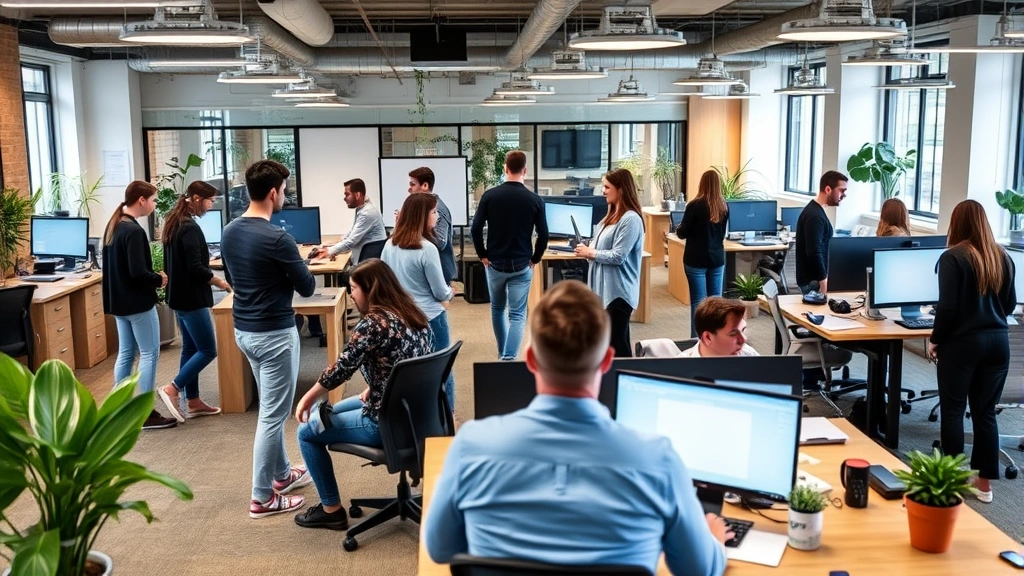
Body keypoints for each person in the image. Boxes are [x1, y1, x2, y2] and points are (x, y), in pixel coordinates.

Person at [423, 281, 731, 574]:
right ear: (609, 360)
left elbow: (440, 549)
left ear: (530, 360)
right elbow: (699, 569)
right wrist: (713, 539)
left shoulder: (471, 446)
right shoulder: (658, 460)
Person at [292, 259, 433, 530]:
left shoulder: (373, 324)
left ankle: (330, 509)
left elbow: (341, 369)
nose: (351, 294)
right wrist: (380, 384)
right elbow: (414, 363)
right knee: (338, 409)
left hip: (385, 423)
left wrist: (308, 397)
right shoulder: (415, 314)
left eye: (354, 288)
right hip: (417, 416)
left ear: (371, 289)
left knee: (307, 432)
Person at [221, 160, 317, 519]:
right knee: (273, 418)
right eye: (284, 191)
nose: (285, 197)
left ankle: (281, 474)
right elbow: (307, 288)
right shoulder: (279, 238)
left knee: (269, 410)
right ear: (274, 192)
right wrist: (297, 263)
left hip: (244, 331)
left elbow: (233, 276)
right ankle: (261, 498)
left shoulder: (230, 231)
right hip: (275, 334)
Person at [929, 200, 1016, 504]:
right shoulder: (1002, 257)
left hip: (963, 345)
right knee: (985, 413)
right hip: (998, 343)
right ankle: (984, 486)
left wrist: (935, 339)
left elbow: (948, 307)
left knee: (953, 411)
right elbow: (1008, 305)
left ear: (957, 223)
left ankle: (951, 483)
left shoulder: (952, 257)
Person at [101, 180, 176, 430]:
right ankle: (146, 412)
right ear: (141, 200)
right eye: (153, 200)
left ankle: (118, 409)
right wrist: (159, 278)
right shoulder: (133, 231)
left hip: (119, 303)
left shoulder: (114, 225)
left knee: (126, 354)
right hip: (137, 303)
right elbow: (137, 272)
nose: (155, 206)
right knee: (149, 354)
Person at [156, 181, 229, 422]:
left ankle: (194, 400)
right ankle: (173, 388)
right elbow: (196, 267)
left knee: (190, 348)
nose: (210, 206)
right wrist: (219, 282)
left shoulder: (175, 222)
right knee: (208, 350)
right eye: (209, 201)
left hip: (178, 296)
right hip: (191, 299)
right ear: (197, 198)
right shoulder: (189, 227)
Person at [470, 150, 548, 360]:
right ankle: (508, 359)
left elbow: (475, 228)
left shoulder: (490, 196)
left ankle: (500, 352)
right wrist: (535, 258)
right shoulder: (534, 199)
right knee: (517, 315)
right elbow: (544, 235)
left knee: (497, 308)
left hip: (494, 264)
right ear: (525, 170)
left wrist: (482, 255)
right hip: (522, 265)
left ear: (505, 169)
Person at [381, 193, 456, 408]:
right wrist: (450, 291)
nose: (437, 217)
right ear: (422, 216)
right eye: (433, 212)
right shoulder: (427, 249)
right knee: (443, 370)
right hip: (430, 319)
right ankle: (447, 419)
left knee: (410, 371)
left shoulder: (389, 245)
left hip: (401, 319)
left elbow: (387, 283)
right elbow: (440, 293)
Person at [573, 168, 644, 357]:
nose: (603, 191)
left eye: (606, 187)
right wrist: (588, 249)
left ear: (620, 189)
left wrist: (591, 252)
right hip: (602, 292)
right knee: (614, 344)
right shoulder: (609, 218)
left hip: (618, 294)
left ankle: (623, 381)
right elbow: (601, 249)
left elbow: (618, 256)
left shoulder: (631, 219)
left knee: (615, 347)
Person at [676, 169, 729, 337]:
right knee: (716, 304)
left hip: (696, 260)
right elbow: (721, 235)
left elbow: (683, 232)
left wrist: (678, 229)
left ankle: (696, 342)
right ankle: (716, 340)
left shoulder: (694, 205)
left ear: (702, 184)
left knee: (698, 305)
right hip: (716, 260)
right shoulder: (723, 206)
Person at [644, 297, 759, 358]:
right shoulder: (680, 371)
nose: (743, 339)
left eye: (743, 330)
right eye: (733, 333)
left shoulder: (748, 354)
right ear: (708, 338)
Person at [795, 170, 848, 295]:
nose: (844, 195)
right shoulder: (814, 216)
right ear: (828, 189)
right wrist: (823, 280)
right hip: (814, 282)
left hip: (815, 280)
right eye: (842, 190)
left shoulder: (816, 211)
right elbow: (813, 251)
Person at [316, 178, 387, 264]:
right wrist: (333, 246)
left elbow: (351, 241)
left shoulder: (367, 212)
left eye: (347, 194)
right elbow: (352, 233)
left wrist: (330, 251)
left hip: (366, 268)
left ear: (357, 195)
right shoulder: (362, 209)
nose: (344, 199)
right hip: (364, 262)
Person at [409, 166, 457, 285]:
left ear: (425, 186)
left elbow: (440, 242)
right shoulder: (424, 208)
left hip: (439, 270)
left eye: (412, 184)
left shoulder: (437, 209)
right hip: (427, 269)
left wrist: (413, 229)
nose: (409, 189)